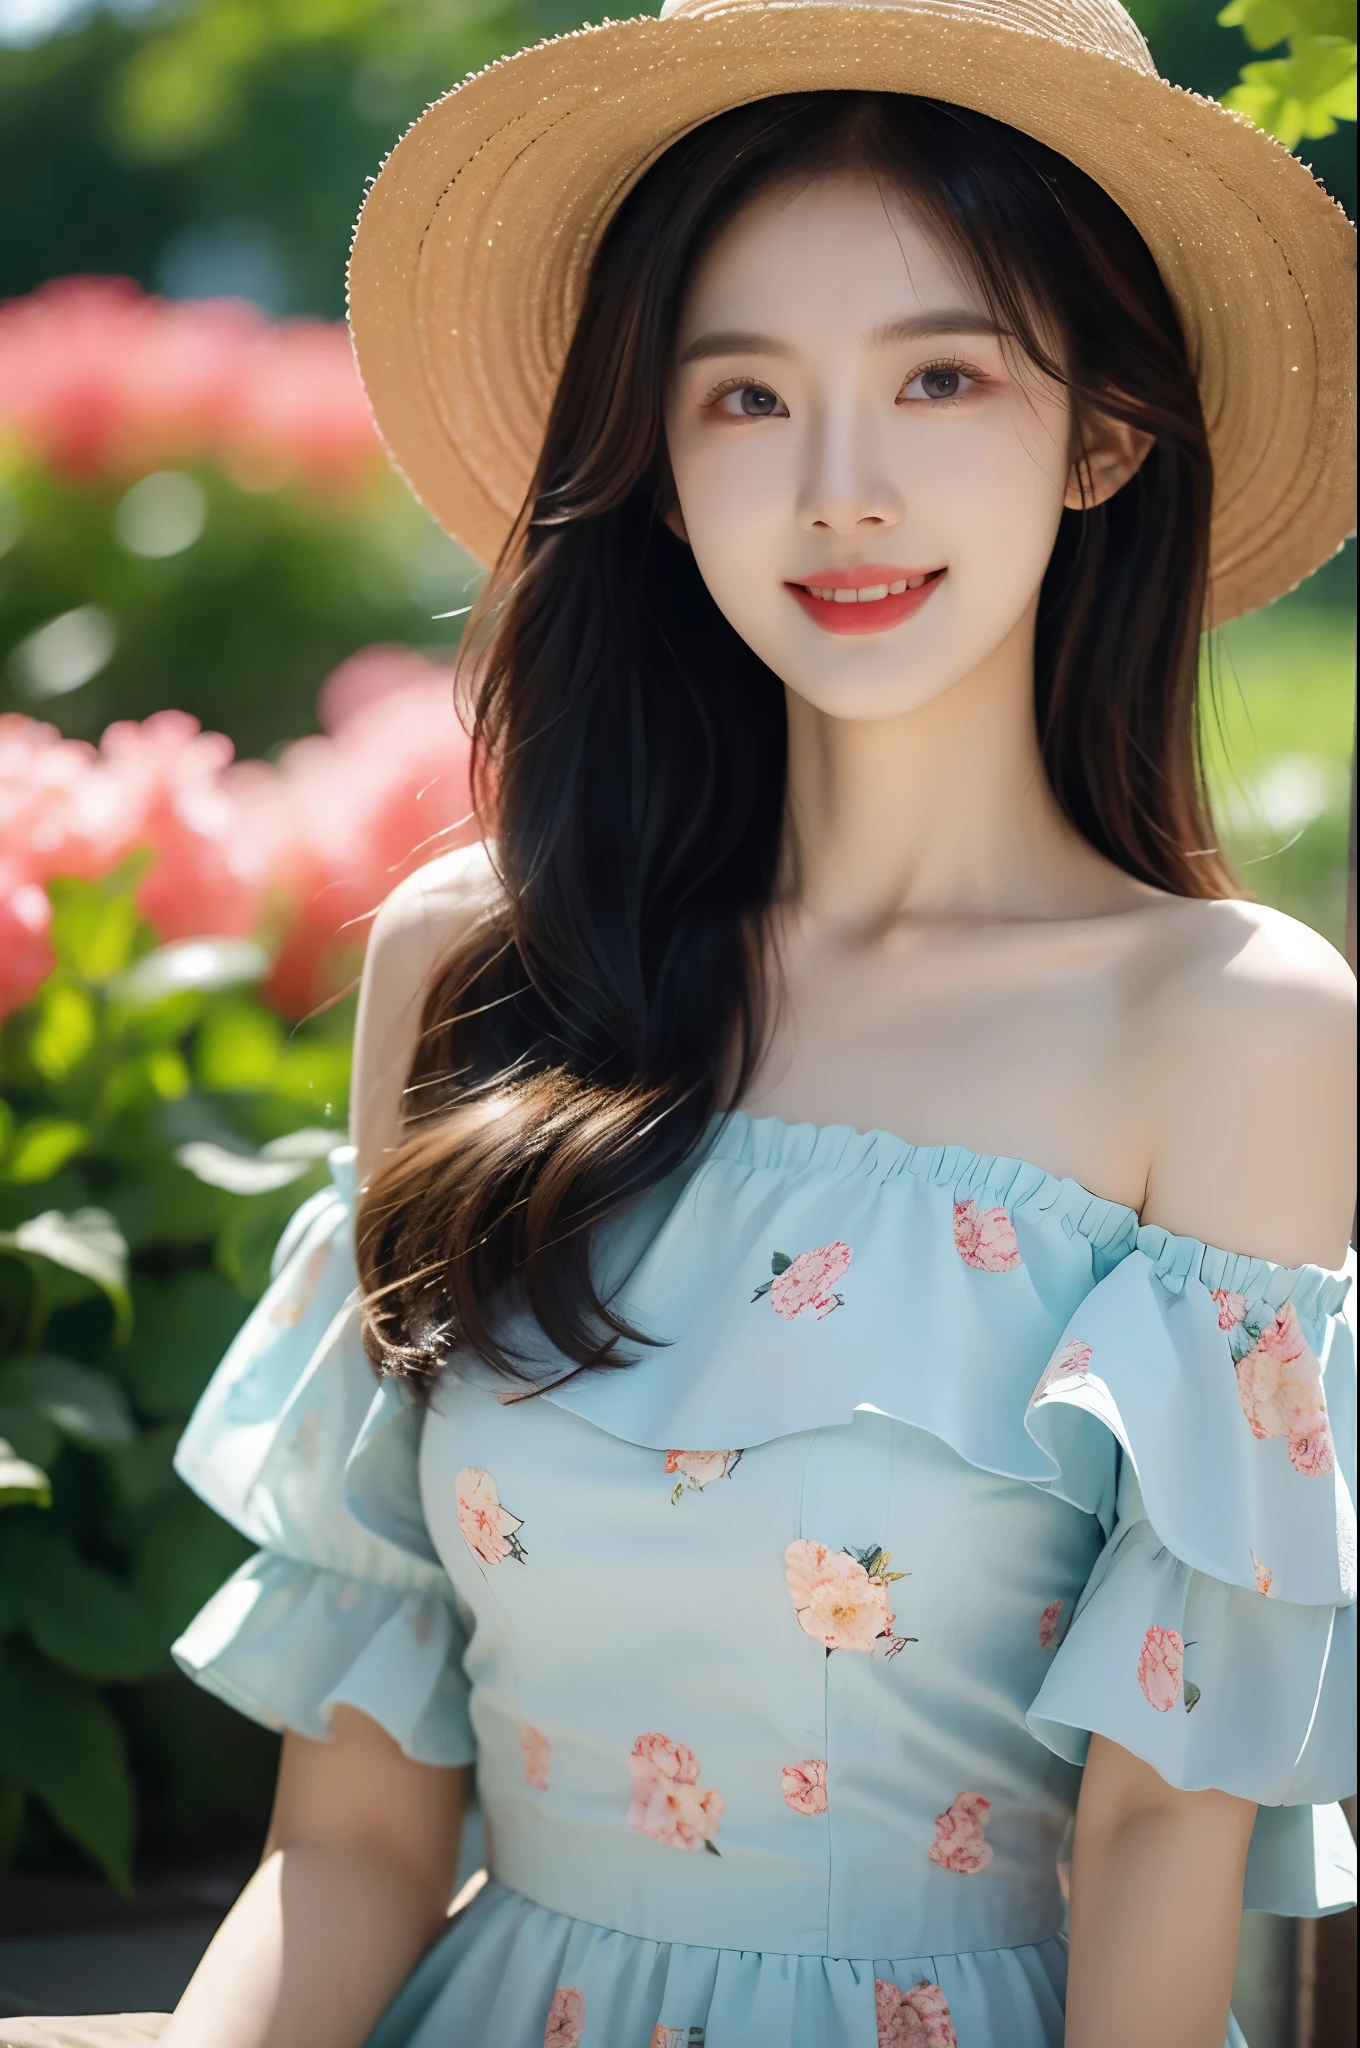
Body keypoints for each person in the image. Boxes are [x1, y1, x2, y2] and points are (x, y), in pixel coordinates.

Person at [17, 5, 1354, 2047]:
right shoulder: (475, 970)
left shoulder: (1225, 1027)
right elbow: (355, 1838)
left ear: (1102, 433)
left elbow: (1155, 1847)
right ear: (651, 464)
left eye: (939, 373)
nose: (840, 488)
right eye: (744, 398)